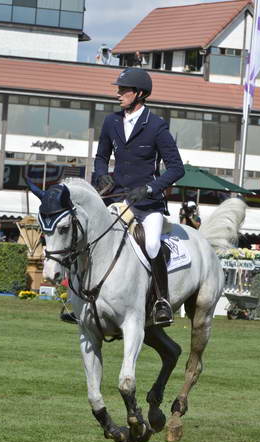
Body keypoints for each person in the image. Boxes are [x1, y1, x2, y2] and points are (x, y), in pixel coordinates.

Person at [94, 67, 185, 325]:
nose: (118, 94)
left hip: (147, 204)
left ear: (139, 94)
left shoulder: (156, 126)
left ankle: (161, 301)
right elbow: (101, 157)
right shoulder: (111, 122)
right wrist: (102, 175)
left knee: (153, 243)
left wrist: (150, 188)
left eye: (123, 90)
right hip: (117, 199)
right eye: (119, 89)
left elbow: (177, 168)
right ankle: (84, 298)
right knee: (93, 236)